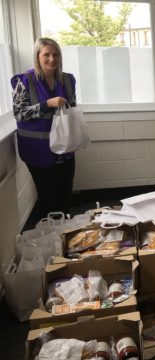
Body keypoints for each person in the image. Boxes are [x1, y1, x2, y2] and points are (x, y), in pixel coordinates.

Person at [11, 38, 77, 226]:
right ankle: (48, 240)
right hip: (37, 151)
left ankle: (65, 241)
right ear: (37, 57)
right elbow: (19, 113)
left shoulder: (68, 80)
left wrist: (74, 137)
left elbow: (71, 111)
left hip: (64, 150)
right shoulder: (23, 81)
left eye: (55, 54)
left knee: (64, 197)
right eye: (46, 54)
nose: (51, 59)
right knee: (47, 199)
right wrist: (46, 105)